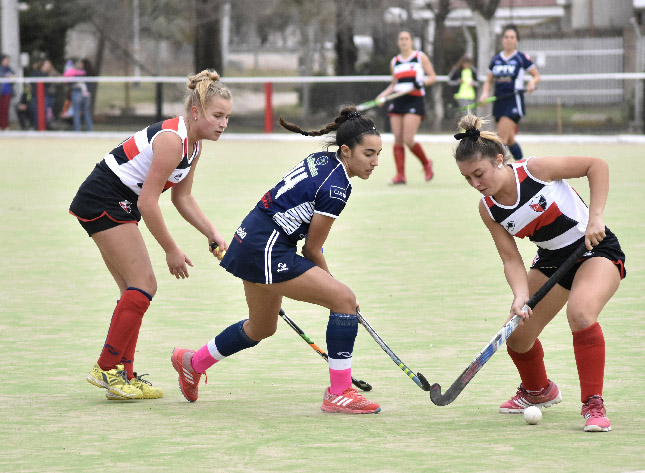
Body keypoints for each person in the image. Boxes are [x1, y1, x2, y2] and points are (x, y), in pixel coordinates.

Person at [171, 106, 383, 414]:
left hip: (251, 239)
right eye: (368, 154)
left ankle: (193, 362)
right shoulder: (337, 187)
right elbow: (312, 249)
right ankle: (339, 392)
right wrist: (338, 293)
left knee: (261, 327)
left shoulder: (322, 160)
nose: (375, 162)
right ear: (346, 150)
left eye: (378, 154)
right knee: (343, 299)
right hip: (266, 248)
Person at [452, 114, 626, 432]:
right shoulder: (488, 208)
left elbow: (596, 166)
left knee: (581, 312)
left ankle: (593, 404)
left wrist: (596, 217)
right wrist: (520, 297)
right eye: (468, 179)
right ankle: (538, 390)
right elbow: (511, 260)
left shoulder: (535, 171)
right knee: (516, 333)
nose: (476, 184)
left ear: (499, 160)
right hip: (551, 261)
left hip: (595, 250)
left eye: (478, 173)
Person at [70, 69, 232, 400]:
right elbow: (148, 202)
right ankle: (106, 369)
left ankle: (123, 376)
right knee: (144, 284)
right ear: (196, 111)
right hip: (105, 197)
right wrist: (171, 249)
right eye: (217, 115)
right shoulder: (172, 140)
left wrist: (211, 232)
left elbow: (181, 197)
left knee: (134, 288)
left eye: (227, 117)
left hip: (120, 202)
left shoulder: (194, 147)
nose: (223, 123)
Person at [376, 30, 435, 184]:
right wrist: (382, 95)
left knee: (409, 139)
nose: (404, 41)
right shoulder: (394, 61)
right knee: (398, 139)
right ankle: (400, 176)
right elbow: (394, 84)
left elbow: (432, 77)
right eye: (401, 39)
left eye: (406, 39)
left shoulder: (419, 57)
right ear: (398, 42)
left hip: (414, 100)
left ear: (411, 41)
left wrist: (421, 83)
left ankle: (426, 163)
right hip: (398, 100)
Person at [479, 25, 540, 161]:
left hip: (514, 101)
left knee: (501, 139)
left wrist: (531, 82)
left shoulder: (521, 57)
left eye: (512, 37)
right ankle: (522, 164)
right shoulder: (495, 59)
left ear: (516, 40)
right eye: (506, 37)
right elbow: (488, 81)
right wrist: (484, 94)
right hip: (499, 102)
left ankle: (500, 173)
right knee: (510, 139)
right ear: (502, 39)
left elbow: (536, 76)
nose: (509, 40)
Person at [63, 58, 94, 131]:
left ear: (83, 64)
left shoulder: (77, 73)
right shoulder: (89, 73)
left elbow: (69, 81)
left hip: (77, 93)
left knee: (76, 112)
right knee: (86, 112)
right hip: (87, 94)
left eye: (81, 63)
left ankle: (77, 130)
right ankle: (90, 130)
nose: (79, 65)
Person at [1, 54, 15, 130]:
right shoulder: (1, 68)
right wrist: (5, 76)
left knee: (5, 110)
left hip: (7, 92)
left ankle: (5, 125)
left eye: (8, 60)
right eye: (6, 60)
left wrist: (11, 76)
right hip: (1, 92)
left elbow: (14, 77)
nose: (7, 62)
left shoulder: (9, 68)